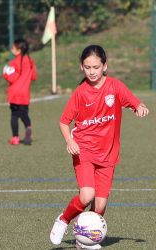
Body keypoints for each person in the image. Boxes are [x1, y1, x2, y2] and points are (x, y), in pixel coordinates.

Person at [49, 45, 149, 249]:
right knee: (87, 195)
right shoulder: (80, 93)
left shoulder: (115, 87)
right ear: (81, 67)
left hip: (108, 155)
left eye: (96, 66)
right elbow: (63, 121)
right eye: (87, 67)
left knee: (100, 205)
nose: (92, 71)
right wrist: (70, 141)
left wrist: (140, 107)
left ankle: (84, 240)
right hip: (83, 150)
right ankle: (64, 220)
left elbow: (135, 103)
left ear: (105, 66)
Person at [2, 38, 37, 145]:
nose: (11, 49)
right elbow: (34, 77)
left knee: (14, 115)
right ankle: (28, 127)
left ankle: (15, 138)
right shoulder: (30, 61)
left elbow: (11, 78)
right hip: (25, 93)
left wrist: (5, 73)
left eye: (13, 47)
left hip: (14, 93)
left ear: (18, 50)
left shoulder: (14, 62)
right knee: (24, 113)